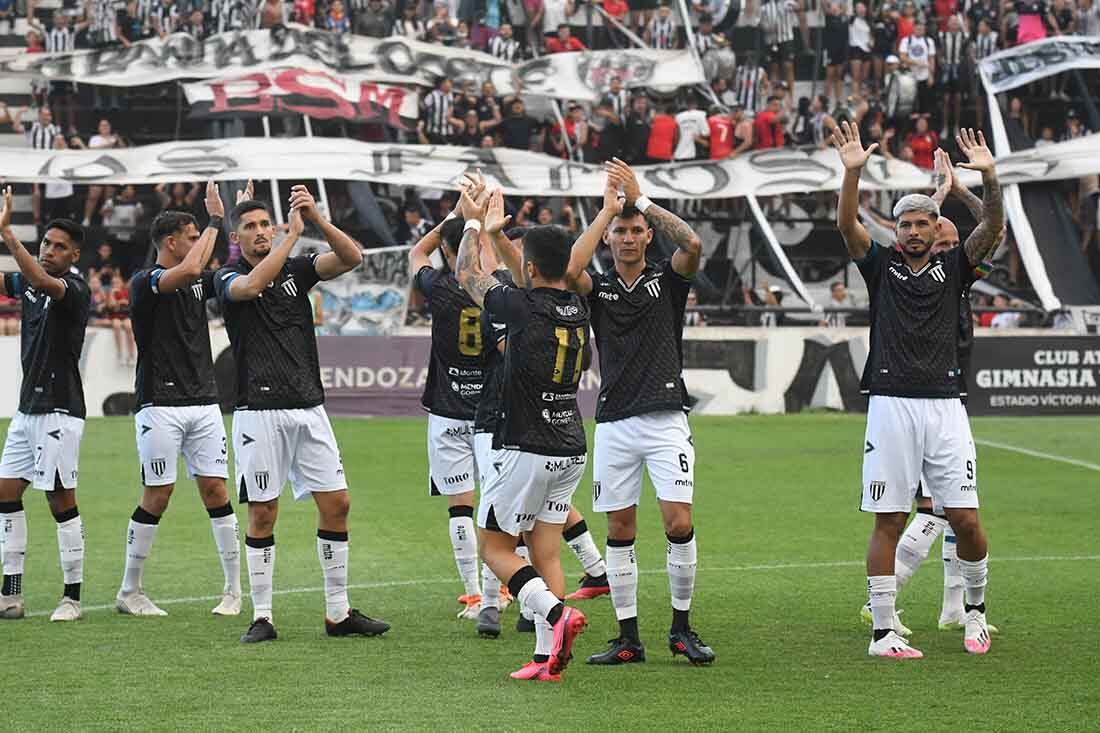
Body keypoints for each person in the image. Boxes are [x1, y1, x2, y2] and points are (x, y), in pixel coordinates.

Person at [833, 122, 1002, 658]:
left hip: (946, 409)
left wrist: (990, 177)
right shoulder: (880, 267)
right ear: (896, 230)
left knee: (966, 519)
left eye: (920, 223)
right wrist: (853, 174)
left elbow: (993, 226)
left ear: (935, 227)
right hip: (890, 406)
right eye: (903, 224)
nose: (910, 231)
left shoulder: (956, 268)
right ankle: (884, 632)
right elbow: (846, 225)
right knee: (890, 519)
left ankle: (974, 614)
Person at [215, 186, 389, 643]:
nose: (259, 232)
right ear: (236, 237)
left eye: (263, 224)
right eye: (250, 227)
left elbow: (352, 258)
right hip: (258, 412)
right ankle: (263, 616)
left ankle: (338, 613)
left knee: (337, 504)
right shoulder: (227, 276)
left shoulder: (296, 269)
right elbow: (252, 286)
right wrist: (290, 238)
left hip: (309, 407)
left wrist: (316, 220)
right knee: (263, 513)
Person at [563, 159, 714, 667]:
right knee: (621, 530)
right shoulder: (600, 290)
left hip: (666, 417)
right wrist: (605, 213)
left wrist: (641, 198)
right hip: (615, 422)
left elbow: (691, 244)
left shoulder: (667, 282)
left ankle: (681, 628)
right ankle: (628, 637)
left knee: (677, 522)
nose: (627, 238)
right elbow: (568, 270)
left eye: (634, 231)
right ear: (610, 238)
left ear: (648, 236)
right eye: (619, 232)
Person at [453, 186, 590, 682]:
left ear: (529, 269)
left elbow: (468, 275)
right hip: (570, 445)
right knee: (544, 549)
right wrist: (500, 235)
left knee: (494, 549)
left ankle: (556, 617)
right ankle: (544, 656)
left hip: (525, 445)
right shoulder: (578, 306)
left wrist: (473, 225)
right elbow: (533, 280)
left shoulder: (520, 307)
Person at [116, 181, 242, 617]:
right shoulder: (146, 281)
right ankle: (130, 591)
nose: (200, 245)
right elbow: (188, 271)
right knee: (159, 493)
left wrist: (239, 219)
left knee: (215, 489)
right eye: (192, 238)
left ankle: (233, 590)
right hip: (159, 402)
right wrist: (214, 219)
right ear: (172, 242)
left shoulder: (195, 280)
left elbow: (227, 270)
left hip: (204, 400)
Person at [407, 203, 501, 625]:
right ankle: (498, 590)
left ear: (447, 252)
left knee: (460, 507)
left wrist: (456, 215)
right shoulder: (497, 288)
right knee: (497, 506)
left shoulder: (440, 287)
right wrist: (480, 223)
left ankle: (473, 594)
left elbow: (415, 254)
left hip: (447, 411)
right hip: (492, 413)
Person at [0, 190, 89, 622]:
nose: (49, 250)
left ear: (73, 254)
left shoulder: (72, 288)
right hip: (27, 409)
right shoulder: (31, 283)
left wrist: (9, 238)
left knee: (59, 498)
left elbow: (40, 282)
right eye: (46, 244)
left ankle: (72, 596)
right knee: (6, 492)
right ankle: (11, 591)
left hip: (60, 410)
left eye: (58, 246)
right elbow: (14, 281)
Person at [899, 22, 936, 115]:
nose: (920, 30)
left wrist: (931, 75)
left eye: (922, 29)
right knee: (911, 103)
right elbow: (902, 57)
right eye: (918, 28)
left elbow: (931, 59)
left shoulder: (929, 41)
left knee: (925, 102)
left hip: (924, 75)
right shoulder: (906, 40)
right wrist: (916, 63)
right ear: (913, 28)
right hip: (910, 76)